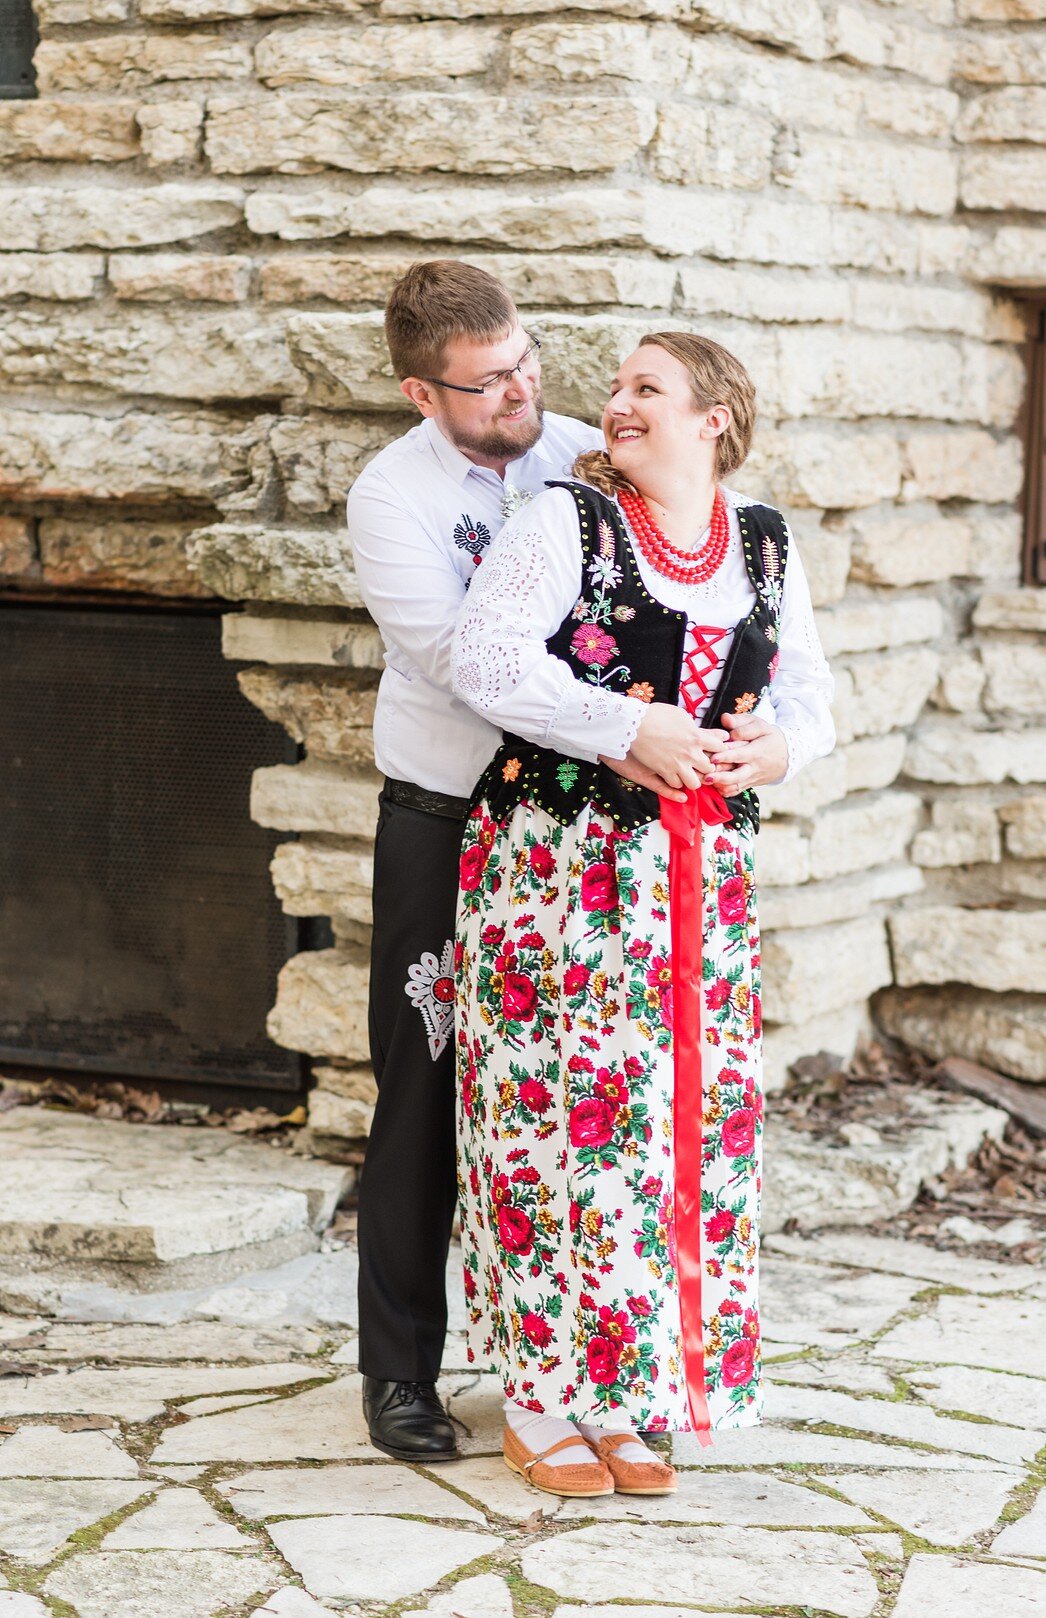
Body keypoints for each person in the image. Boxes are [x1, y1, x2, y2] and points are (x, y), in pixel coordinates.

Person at [450, 331, 836, 1497]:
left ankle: (626, 1391)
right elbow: (486, 656)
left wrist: (778, 747)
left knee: (669, 1134)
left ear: (713, 416)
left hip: (699, 885)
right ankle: (537, 1392)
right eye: (616, 388)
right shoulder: (565, 524)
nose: (615, 406)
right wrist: (630, 728)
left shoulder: (763, 543)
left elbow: (813, 695)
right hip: (558, 873)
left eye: (645, 390)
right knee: (549, 1123)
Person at [346, 261, 604, 1462]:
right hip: (447, 821)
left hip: (580, 834)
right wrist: (618, 699)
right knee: (425, 1086)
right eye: (491, 379)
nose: (523, 392)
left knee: (577, 1094)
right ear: (421, 390)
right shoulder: (390, 497)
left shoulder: (592, 454)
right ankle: (399, 1372)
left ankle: (563, 1363)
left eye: (527, 360)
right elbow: (464, 660)